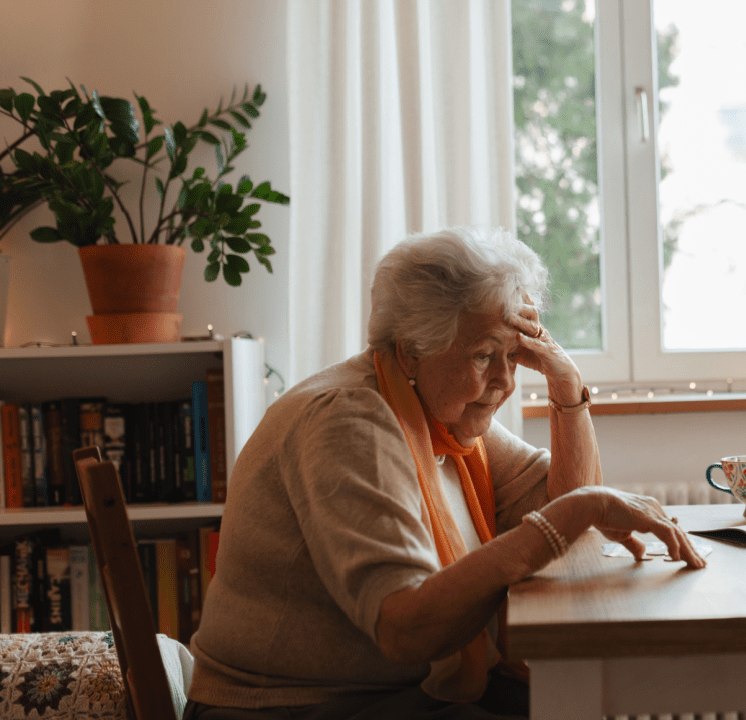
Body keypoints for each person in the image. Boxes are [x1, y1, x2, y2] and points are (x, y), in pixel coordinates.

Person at [185, 227, 706, 719]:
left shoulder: (441, 417)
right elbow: (406, 629)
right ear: (413, 349)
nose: (503, 380)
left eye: (513, 354)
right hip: (294, 707)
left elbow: (566, 506)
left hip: (389, 694)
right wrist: (580, 508)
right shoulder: (353, 420)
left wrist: (566, 385)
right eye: (484, 355)